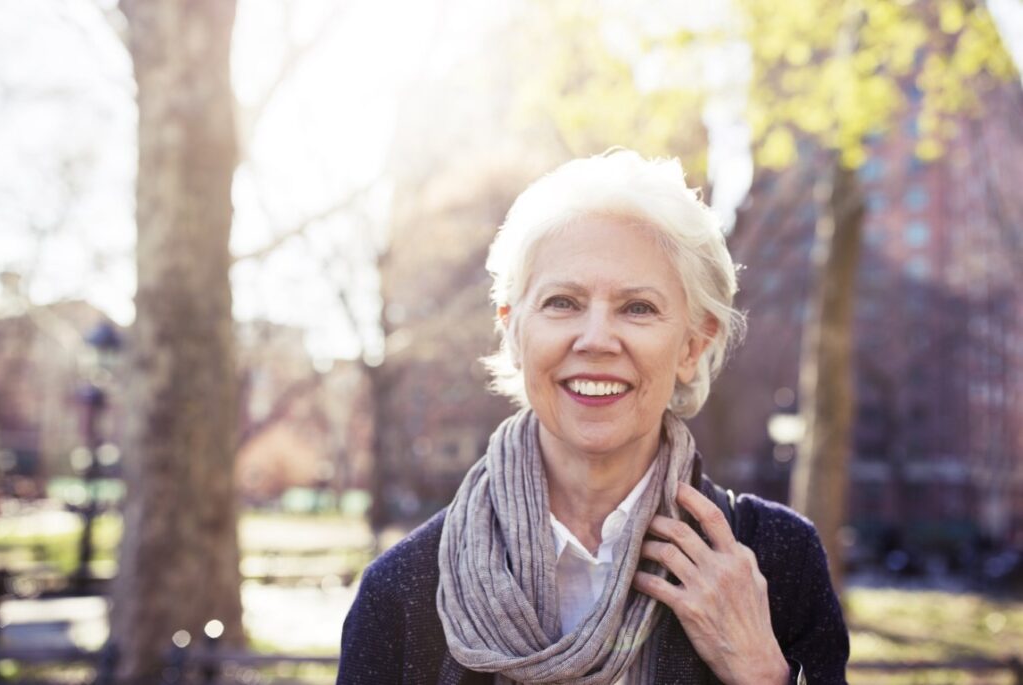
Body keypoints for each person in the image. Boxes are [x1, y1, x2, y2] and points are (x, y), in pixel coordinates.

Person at [338, 150, 849, 684]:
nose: (597, 339)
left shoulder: (776, 563)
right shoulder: (401, 591)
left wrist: (763, 673)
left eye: (638, 308)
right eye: (563, 302)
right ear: (512, 331)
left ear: (692, 346)